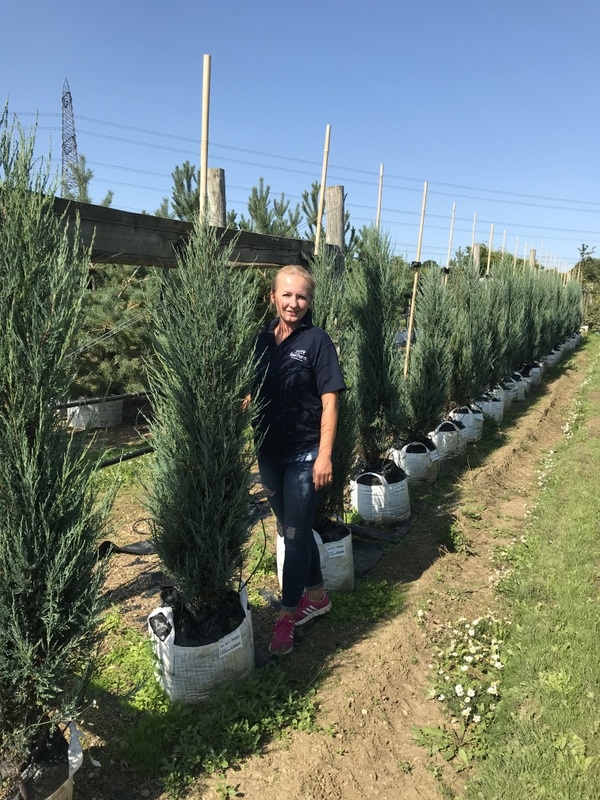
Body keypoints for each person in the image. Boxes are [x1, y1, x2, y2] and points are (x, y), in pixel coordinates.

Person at [253, 265, 346, 655]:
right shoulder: (261, 341)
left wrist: (325, 455)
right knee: (292, 526)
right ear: (273, 297)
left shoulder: (317, 340)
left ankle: (287, 615)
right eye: (286, 295)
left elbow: (330, 400)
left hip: (307, 453)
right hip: (268, 452)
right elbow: (254, 389)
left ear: (309, 301)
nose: (294, 303)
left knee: (293, 534)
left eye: (301, 296)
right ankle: (318, 596)